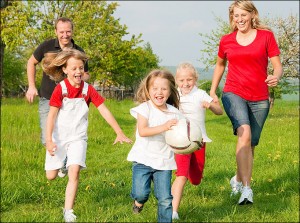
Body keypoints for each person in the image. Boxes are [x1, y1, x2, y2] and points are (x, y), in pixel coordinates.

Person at [42, 49, 132, 222]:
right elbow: (51, 116)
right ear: (65, 70)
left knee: (74, 172)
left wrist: (119, 131)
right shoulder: (60, 90)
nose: (78, 72)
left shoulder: (88, 90)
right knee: (50, 176)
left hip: (78, 137)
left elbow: (104, 110)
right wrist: (48, 140)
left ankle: (68, 211)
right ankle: (62, 165)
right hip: (59, 137)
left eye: (81, 68)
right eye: (74, 68)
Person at [210, 0, 283, 205]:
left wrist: (275, 76)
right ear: (232, 18)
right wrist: (213, 91)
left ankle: (238, 177)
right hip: (233, 92)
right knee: (245, 133)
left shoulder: (266, 36)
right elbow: (220, 65)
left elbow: (277, 65)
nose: (240, 19)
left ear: (252, 15)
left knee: (250, 144)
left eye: (243, 15)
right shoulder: (226, 40)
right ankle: (246, 190)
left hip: (260, 97)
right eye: (236, 15)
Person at [127, 69, 182, 222]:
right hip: (143, 159)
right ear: (148, 90)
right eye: (155, 88)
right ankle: (138, 202)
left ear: (170, 91)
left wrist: (189, 143)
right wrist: (164, 126)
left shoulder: (174, 113)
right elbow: (143, 131)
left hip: (164, 161)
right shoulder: (145, 108)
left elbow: (180, 135)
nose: (159, 92)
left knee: (165, 199)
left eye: (164, 88)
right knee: (141, 193)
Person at [171, 62, 223, 220]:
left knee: (196, 178)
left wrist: (211, 106)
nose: (185, 83)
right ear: (176, 81)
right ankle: (172, 211)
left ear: (195, 79)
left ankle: (191, 178)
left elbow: (219, 111)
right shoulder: (174, 95)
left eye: (189, 80)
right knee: (181, 175)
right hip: (180, 141)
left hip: (199, 142)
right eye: (181, 80)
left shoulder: (200, 94)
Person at [26, 17, 89, 145]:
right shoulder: (46, 46)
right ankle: (56, 164)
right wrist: (31, 86)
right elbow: (31, 62)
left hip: (69, 101)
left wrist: (78, 77)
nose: (65, 35)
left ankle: (67, 165)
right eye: (61, 32)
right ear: (56, 31)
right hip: (48, 99)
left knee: (67, 137)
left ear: (72, 31)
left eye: (68, 31)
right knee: (47, 139)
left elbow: (86, 74)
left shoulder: (78, 51)